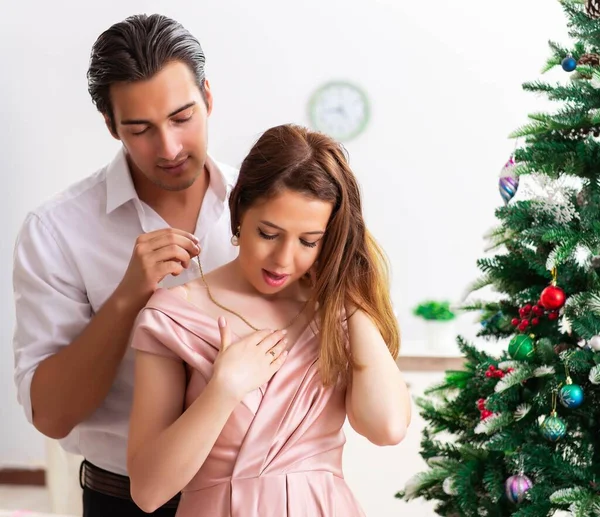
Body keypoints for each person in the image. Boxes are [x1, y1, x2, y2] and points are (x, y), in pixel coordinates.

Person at [12, 14, 238, 516]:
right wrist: (127, 297)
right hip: (125, 500)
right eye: (140, 129)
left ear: (208, 96)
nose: (170, 148)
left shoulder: (268, 209)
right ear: (111, 125)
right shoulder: (56, 230)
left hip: (256, 491)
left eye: (183, 117)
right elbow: (51, 415)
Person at [127, 123, 412, 516]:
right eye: (268, 233)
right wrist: (224, 389)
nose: (283, 260)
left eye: (308, 241)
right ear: (240, 209)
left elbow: (388, 427)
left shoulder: (338, 313)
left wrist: (349, 289)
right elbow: (148, 490)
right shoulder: (174, 314)